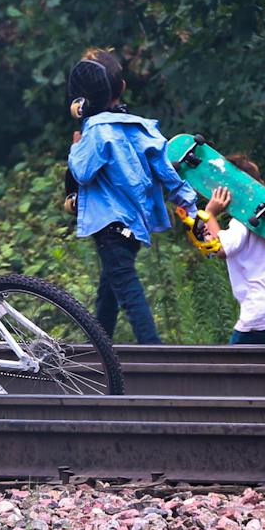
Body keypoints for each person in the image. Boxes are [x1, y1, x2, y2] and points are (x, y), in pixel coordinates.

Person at [64, 49, 198, 345]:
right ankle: (99, 345)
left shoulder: (95, 131)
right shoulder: (141, 128)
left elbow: (83, 172)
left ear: (81, 99)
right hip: (135, 225)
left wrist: (76, 147)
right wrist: (188, 205)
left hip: (109, 226)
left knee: (125, 286)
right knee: (109, 288)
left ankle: (153, 349)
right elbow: (167, 172)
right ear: (121, 87)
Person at [197, 155, 265, 345]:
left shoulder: (245, 221)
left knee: (230, 365)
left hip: (262, 314)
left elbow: (221, 248)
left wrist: (209, 213)